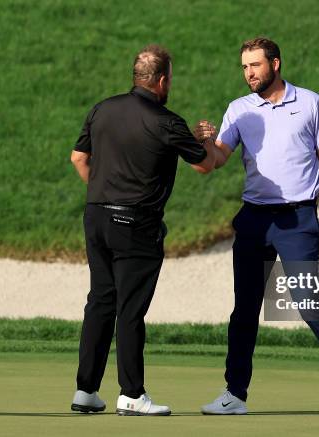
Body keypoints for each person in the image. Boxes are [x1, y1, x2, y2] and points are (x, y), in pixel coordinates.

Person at [195, 37, 319, 417]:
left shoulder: (310, 102)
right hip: (254, 219)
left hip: (297, 220)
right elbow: (219, 159)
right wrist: (208, 143)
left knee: (307, 302)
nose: (249, 73)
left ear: (275, 63)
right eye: (244, 67)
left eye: (255, 65)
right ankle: (234, 394)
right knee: (244, 311)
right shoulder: (239, 110)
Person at [69, 44, 216, 416]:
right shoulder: (167, 122)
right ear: (163, 80)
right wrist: (205, 139)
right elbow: (205, 165)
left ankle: (86, 391)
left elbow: (78, 158)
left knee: (101, 301)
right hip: (136, 225)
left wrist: (102, 194)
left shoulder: (102, 109)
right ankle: (132, 394)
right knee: (130, 311)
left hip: (96, 216)